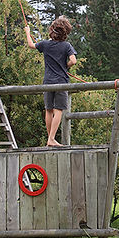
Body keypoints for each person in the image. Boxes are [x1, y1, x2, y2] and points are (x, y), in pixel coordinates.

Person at [24, 16, 77, 147]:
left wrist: (27, 32)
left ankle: (50, 138)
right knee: (58, 110)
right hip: (61, 81)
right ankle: (51, 139)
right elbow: (73, 60)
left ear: (52, 31)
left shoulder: (45, 44)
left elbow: (31, 45)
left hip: (47, 81)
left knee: (49, 110)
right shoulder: (66, 46)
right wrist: (66, 66)